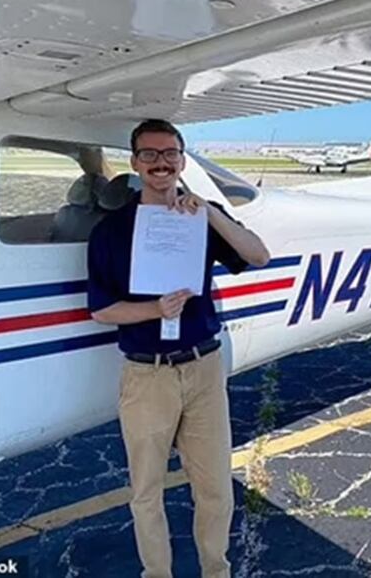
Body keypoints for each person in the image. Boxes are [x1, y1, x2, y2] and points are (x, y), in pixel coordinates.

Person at [87, 119, 270, 578]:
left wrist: (209, 212)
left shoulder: (200, 217)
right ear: (135, 163)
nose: (160, 163)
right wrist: (155, 309)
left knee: (216, 489)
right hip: (147, 375)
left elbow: (258, 254)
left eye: (170, 153)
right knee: (146, 493)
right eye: (149, 154)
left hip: (203, 367)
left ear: (182, 161)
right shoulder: (111, 231)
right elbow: (102, 309)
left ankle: (216, 570)